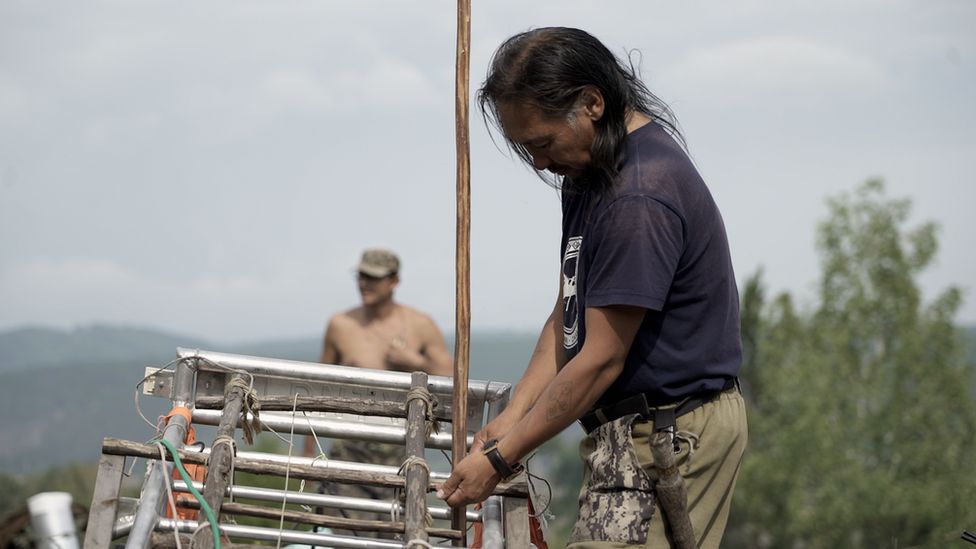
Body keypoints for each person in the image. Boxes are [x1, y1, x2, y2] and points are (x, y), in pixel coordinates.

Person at [437, 27, 747, 549]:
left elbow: (600, 358)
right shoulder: (591, 170)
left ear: (592, 104)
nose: (538, 161)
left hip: (671, 434)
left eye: (541, 142)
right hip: (629, 431)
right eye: (524, 148)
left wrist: (502, 456)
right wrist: (512, 417)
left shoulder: (638, 197)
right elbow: (571, 309)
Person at [309, 248, 453, 537]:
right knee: (346, 536)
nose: (365, 284)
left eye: (373, 277)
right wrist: (309, 460)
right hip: (350, 450)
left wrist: (415, 363)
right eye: (361, 276)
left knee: (397, 535)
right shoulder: (341, 325)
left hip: (402, 452)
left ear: (393, 281)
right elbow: (315, 389)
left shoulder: (420, 326)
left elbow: (452, 378)